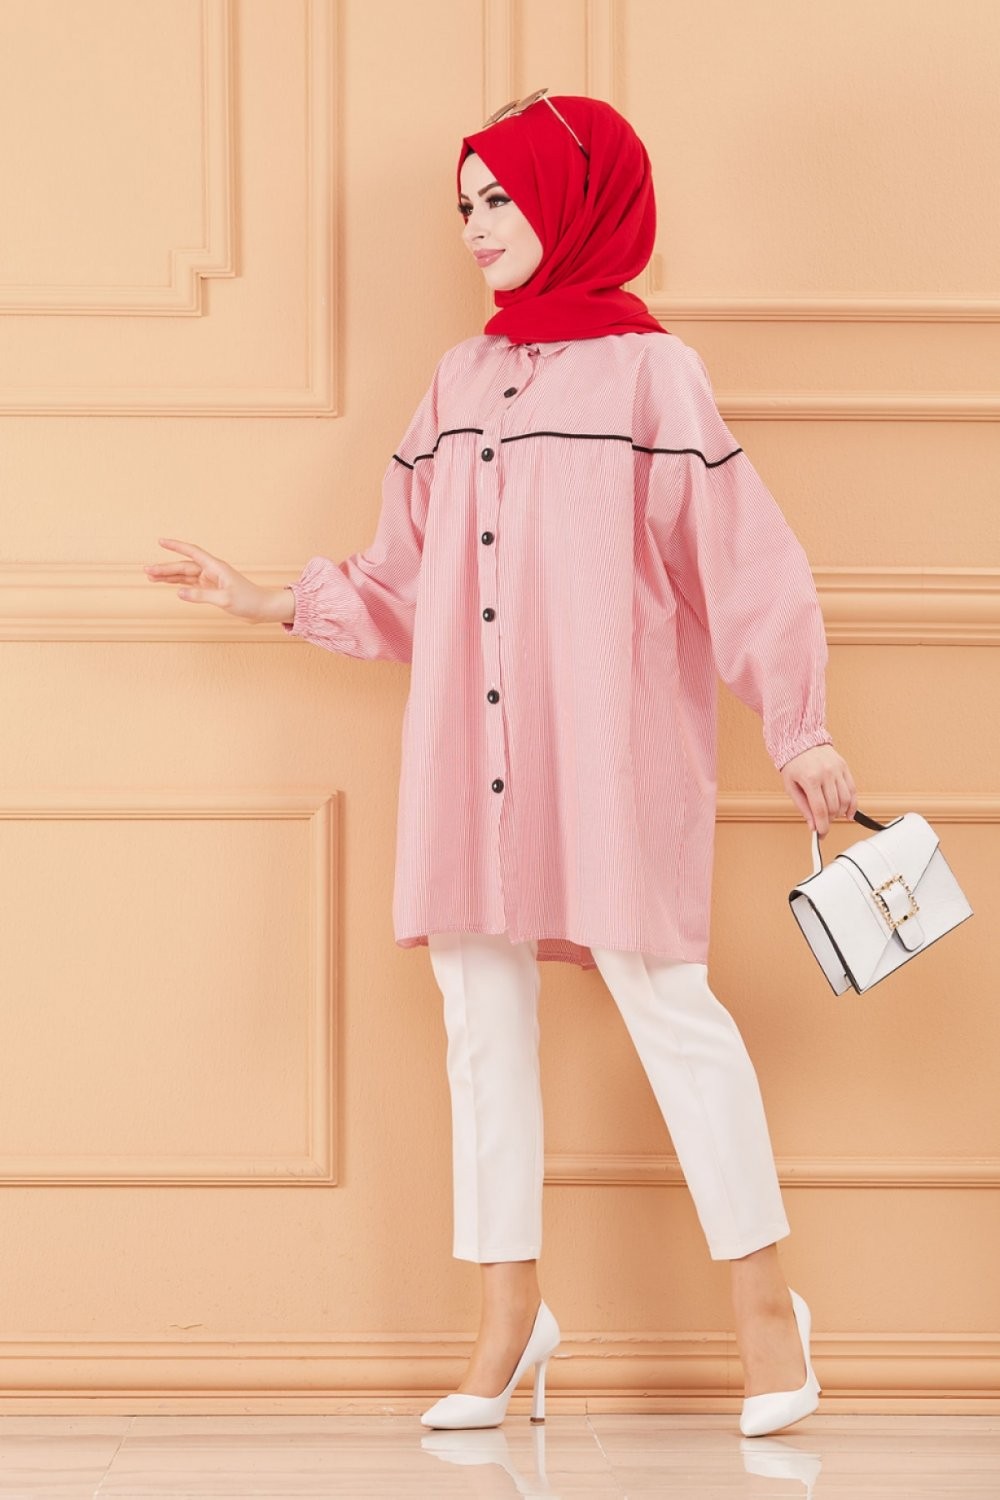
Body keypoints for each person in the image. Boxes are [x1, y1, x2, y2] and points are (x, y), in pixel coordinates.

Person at [143, 90, 853, 1439]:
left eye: (501, 198)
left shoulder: (653, 378)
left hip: (610, 755)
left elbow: (746, 562)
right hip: (467, 755)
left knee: (670, 1007)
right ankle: (508, 1319)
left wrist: (799, 723)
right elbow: (405, 582)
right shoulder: (459, 382)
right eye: (464, 204)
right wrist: (266, 600)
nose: (475, 227)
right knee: (479, 1020)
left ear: (576, 200)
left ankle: (769, 1312)